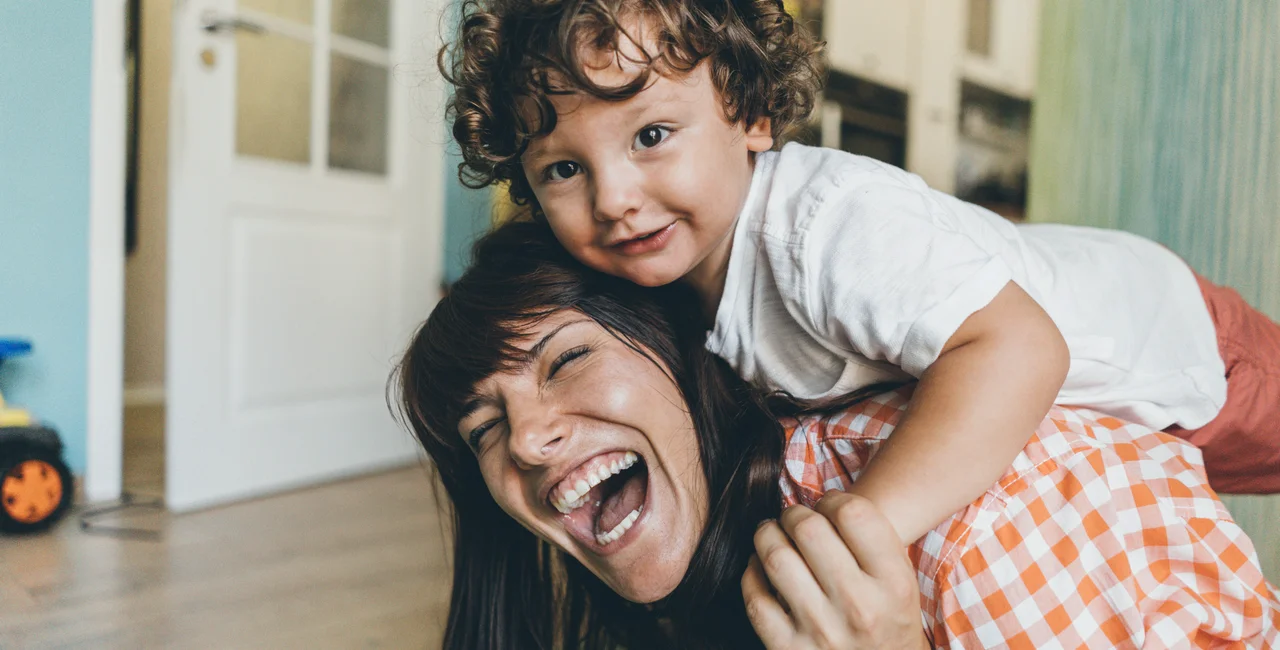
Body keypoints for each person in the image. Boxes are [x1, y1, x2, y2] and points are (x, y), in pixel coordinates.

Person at [437, 0, 1280, 548]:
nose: (614, 197)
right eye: (561, 170)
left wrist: (868, 525)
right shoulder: (664, 283)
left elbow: (1018, 347)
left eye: (651, 135)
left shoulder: (825, 227)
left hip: (1172, 341)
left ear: (753, 114)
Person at [394, 221, 1280, 649]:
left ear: (689, 352)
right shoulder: (718, 563)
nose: (530, 443)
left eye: (565, 361)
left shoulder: (988, 528)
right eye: (483, 428)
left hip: (1191, 344)